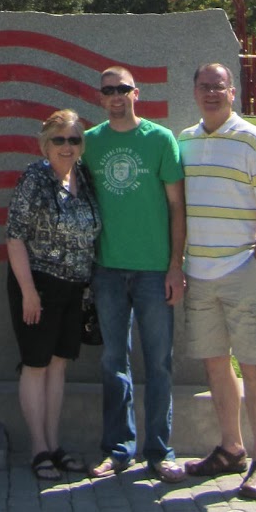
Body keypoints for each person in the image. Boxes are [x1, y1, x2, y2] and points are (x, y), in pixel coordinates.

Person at [179, 62, 256, 499]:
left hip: (242, 271)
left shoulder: (254, 140)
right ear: (194, 92)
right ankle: (230, 448)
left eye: (218, 87)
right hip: (199, 273)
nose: (211, 93)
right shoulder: (185, 141)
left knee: (254, 367)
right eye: (204, 86)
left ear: (232, 92)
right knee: (215, 364)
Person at [83, 66, 187, 482]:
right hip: (107, 269)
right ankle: (117, 449)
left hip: (153, 270)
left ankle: (160, 451)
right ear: (100, 97)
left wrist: (175, 265)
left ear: (136, 93)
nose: (116, 95)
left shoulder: (160, 140)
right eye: (108, 90)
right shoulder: (90, 142)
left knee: (159, 362)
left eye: (122, 88)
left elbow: (177, 206)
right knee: (113, 361)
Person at [6, 109, 102, 481]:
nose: (67, 146)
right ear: (46, 144)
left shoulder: (85, 177)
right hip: (39, 285)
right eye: (59, 139)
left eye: (74, 139)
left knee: (59, 365)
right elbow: (15, 236)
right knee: (36, 364)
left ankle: (55, 443)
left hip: (75, 288)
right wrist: (29, 291)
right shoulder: (35, 178)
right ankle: (39, 448)